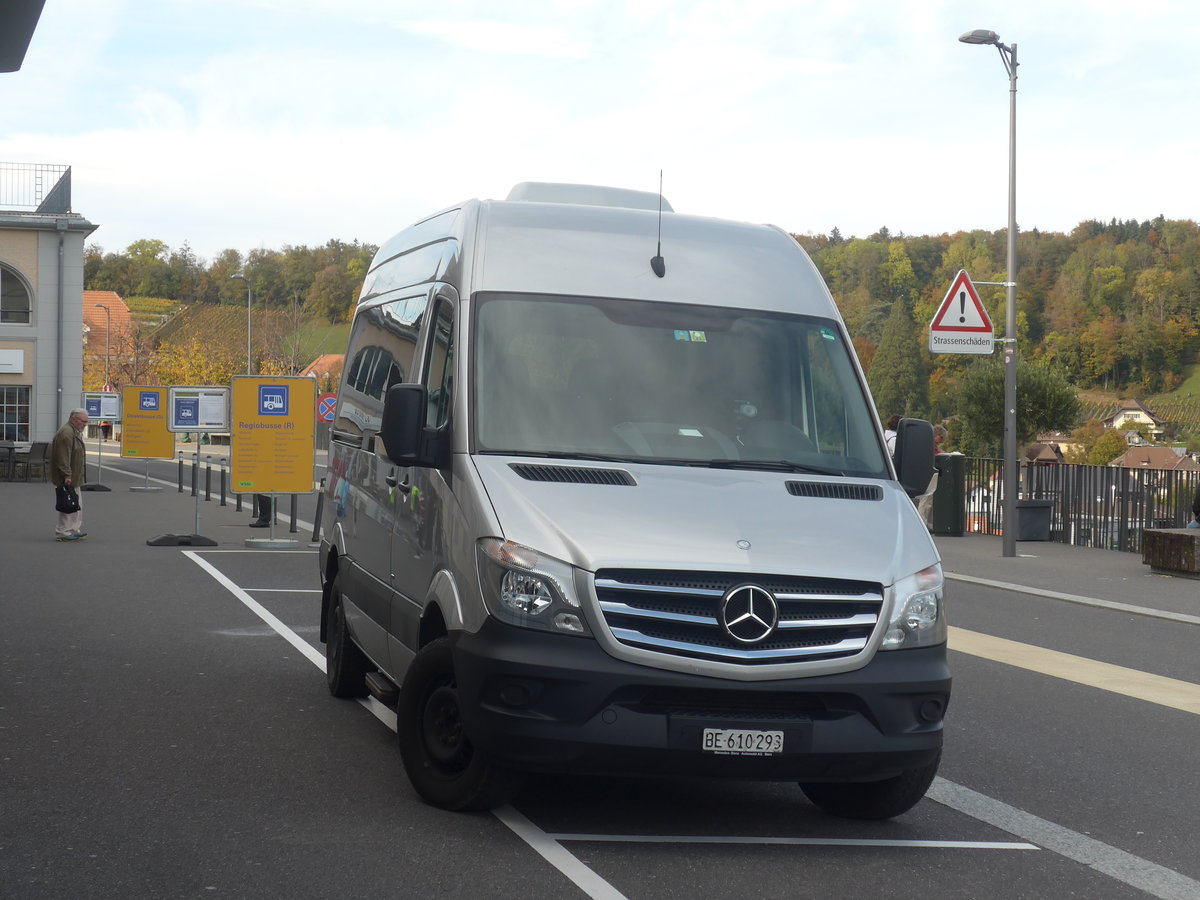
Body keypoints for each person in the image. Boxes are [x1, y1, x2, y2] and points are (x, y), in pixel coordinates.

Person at [51, 408, 89, 541]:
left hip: (74, 475)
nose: (85, 424)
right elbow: (63, 457)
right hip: (68, 476)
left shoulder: (74, 431)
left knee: (76, 503)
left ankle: (73, 529)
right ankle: (63, 532)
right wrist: (67, 475)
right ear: (74, 420)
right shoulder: (67, 433)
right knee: (68, 503)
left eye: (86, 422)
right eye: (83, 421)